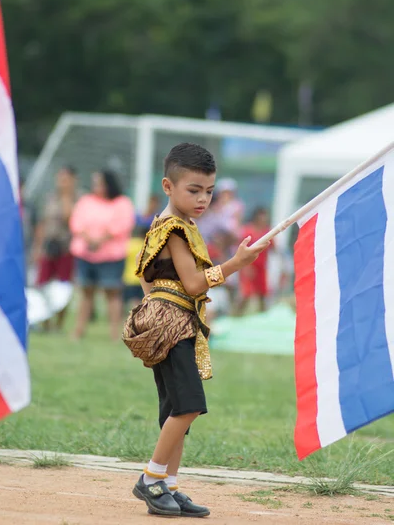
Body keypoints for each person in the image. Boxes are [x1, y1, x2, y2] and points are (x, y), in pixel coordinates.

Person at [122, 143, 269, 518]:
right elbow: (191, 284)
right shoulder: (174, 229)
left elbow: (144, 275)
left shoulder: (166, 224)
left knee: (175, 410)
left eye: (209, 191)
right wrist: (236, 263)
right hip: (172, 326)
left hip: (170, 321)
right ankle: (151, 479)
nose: (203, 198)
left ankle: (169, 486)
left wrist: (154, 307)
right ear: (168, 186)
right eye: (194, 190)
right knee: (188, 407)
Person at [70, 170, 135, 341]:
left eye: (99, 182)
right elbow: (76, 222)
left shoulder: (122, 203)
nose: (95, 186)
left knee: (112, 293)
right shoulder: (86, 201)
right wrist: (88, 238)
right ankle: (79, 330)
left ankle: (115, 333)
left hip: (111, 256)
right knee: (86, 292)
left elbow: (123, 224)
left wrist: (102, 238)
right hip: (86, 253)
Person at [32, 165, 79, 331]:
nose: (61, 182)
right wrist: (37, 247)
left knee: (63, 287)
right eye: (60, 178)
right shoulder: (50, 197)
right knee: (43, 285)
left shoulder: (78, 198)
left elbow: (70, 219)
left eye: (65, 179)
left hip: (66, 248)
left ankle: (59, 324)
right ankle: (45, 321)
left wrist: (66, 196)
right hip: (48, 247)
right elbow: (42, 223)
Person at [238, 207, 274, 313]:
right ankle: (236, 315)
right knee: (246, 293)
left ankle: (263, 316)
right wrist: (245, 266)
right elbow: (241, 248)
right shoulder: (248, 230)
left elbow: (273, 247)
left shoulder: (267, 232)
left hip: (261, 267)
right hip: (249, 264)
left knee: (262, 293)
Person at [122, 226, 146, 310]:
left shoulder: (127, 244)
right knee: (141, 299)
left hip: (129, 278)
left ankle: (133, 314)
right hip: (142, 278)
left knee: (131, 300)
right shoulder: (145, 244)